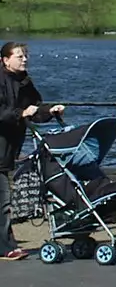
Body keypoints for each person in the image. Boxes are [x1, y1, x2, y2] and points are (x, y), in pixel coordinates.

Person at [1, 41, 65, 260]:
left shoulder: (25, 82)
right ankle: (5, 247)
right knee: (3, 200)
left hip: (9, 148)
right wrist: (20, 113)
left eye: (25, 55)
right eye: (19, 56)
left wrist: (49, 111)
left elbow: (34, 109)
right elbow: (5, 112)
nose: (24, 59)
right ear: (5, 59)